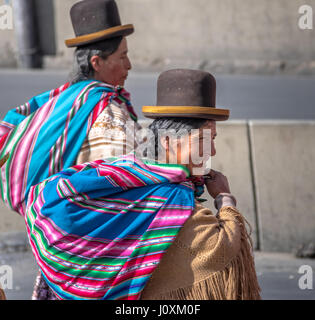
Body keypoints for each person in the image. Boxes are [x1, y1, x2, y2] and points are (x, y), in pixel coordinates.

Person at [22, 69, 261, 300]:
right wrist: (224, 198)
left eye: (213, 140)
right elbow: (226, 252)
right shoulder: (177, 206)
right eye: (202, 140)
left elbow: (48, 196)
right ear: (169, 142)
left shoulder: (127, 171)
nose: (212, 150)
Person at [0, 0, 141, 300]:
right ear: (96, 63)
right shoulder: (107, 110)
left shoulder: (59, 102)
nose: (129, 65)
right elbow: (121, 179)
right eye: (123, 56)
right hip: (92, 249)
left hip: (54, 242)